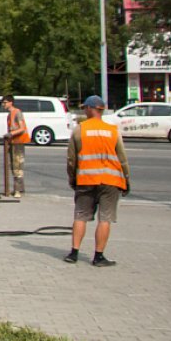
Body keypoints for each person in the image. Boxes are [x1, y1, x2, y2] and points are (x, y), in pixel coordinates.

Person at [65, 95, 130, 266]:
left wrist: (72, 179)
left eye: (84, 108)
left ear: (89, 108)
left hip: (86, 179)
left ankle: (73, 253)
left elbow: (71, 159)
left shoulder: (80, 130)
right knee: (105, 219)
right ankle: (99, 256)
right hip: (111, 181)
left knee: (80, 216)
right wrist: (127, 179)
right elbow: (122, 158)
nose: (84, 111)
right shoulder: (113, 130)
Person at [2, 95, 29, 198]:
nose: (3, 105)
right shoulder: (9, 115)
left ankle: (18, 190)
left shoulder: (17, 112)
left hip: (18, 141)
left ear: (10, 102)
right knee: (14, 166)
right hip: (13, 142)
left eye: (5, 102)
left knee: (17, 166)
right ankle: (19, 189)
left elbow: (22, 128)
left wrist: (11, 134)